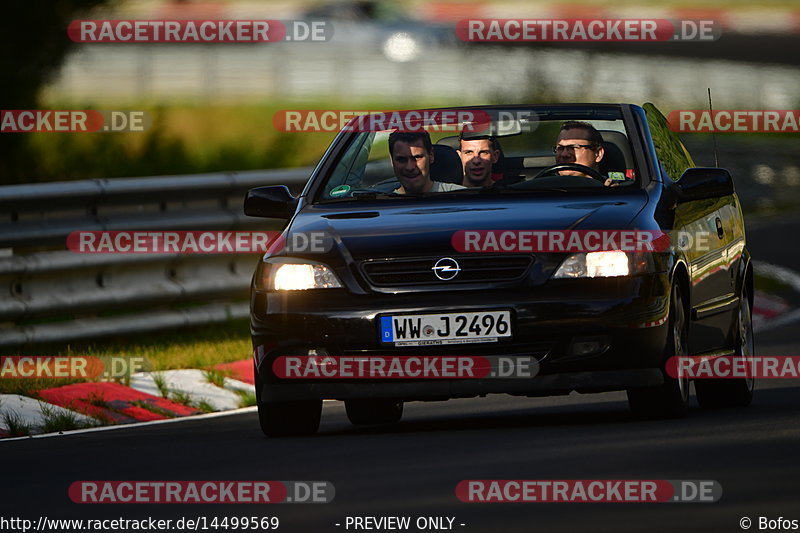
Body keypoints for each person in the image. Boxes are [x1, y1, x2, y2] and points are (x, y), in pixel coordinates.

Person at [390, 130, 465, 194]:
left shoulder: (462, 197)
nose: (410, 167)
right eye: (401, 159)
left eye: (417, 157)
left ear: (431, 155)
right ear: (391, 160)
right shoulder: (382, 204)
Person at [553, 121, 617, 186]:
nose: (564, 154)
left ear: (598, 154)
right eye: (560, 148)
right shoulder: (544, 188)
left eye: (574, 147)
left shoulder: (618, 192)